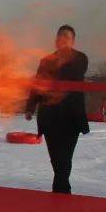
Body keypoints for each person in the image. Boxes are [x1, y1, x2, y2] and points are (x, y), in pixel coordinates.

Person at [25, 25, 90, 194]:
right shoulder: (45, 60)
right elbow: (38, 85)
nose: (62, 39)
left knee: (65, 157)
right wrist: (30, 107)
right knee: (56, 159)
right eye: (59, 36)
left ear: (73, 41)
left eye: (66, 37)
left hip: (71, 117)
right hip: (50, 116)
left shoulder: (80, 58)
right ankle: (62, 191)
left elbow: (73, 73)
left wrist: (60, 58)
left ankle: (61, 192)